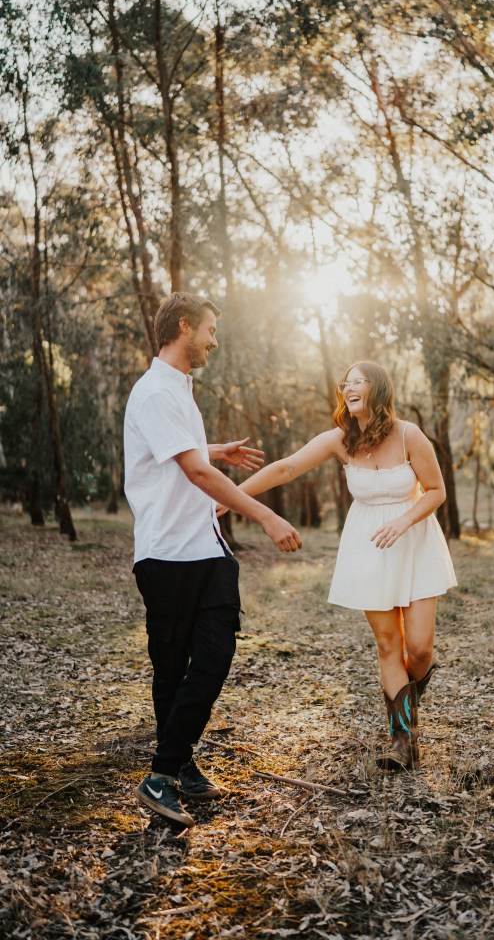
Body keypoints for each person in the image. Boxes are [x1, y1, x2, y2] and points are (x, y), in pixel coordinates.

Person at [124, 292, 302, 828]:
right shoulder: (155, 391)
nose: (214, 341)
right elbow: (195, 474)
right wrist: (265, 516)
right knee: (171, 669)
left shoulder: (178, 388)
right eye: (210, 330)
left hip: (205, 547)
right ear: (184, 326)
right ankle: (169, 772)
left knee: (214, 656)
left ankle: (170, 764)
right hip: (167, 553)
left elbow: (187, 457)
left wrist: (216, 450)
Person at [238, 361, 456, 771]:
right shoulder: (340, 439)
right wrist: (230, 495)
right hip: (369, 547)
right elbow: (286, 467)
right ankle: (402, 739)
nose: (349, 387)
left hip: (414, 542)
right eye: (346, 382)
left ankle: (407, 707)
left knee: (419, 648)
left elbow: (436, 491)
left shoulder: (409, 435)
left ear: (379, 389)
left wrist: (404, 520)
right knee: (388, 644)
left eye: (359, 381)